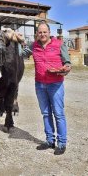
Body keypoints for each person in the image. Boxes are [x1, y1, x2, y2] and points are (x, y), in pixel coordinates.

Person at [32, 22, 71, 155]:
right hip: (40, 84)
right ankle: (49, 140)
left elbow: (67, 63)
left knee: (58, 114)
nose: (42, 34)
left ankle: (61, 143)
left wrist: (65, 69)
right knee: (46, 113)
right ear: (37, 34)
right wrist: (16, 39)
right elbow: (20, 52)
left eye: (45, 32)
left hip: (55, 84)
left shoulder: (59, 44)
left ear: (49, 32)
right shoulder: (34, 45)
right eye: (40, 32)